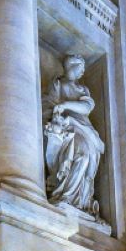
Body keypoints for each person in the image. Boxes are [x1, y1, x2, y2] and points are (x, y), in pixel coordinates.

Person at [42, 54, 105, 219]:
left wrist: (65, 105)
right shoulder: (58, 84)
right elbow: (48, 104)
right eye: (74, 67)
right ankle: (67, 196)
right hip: (68, 128)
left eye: (80, 68)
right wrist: (57, 114)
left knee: (89, 159)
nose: (77, 71)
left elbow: (87, 107)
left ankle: (82, 201)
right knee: (82, 156)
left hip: (84, 128)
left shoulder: (83, 90)